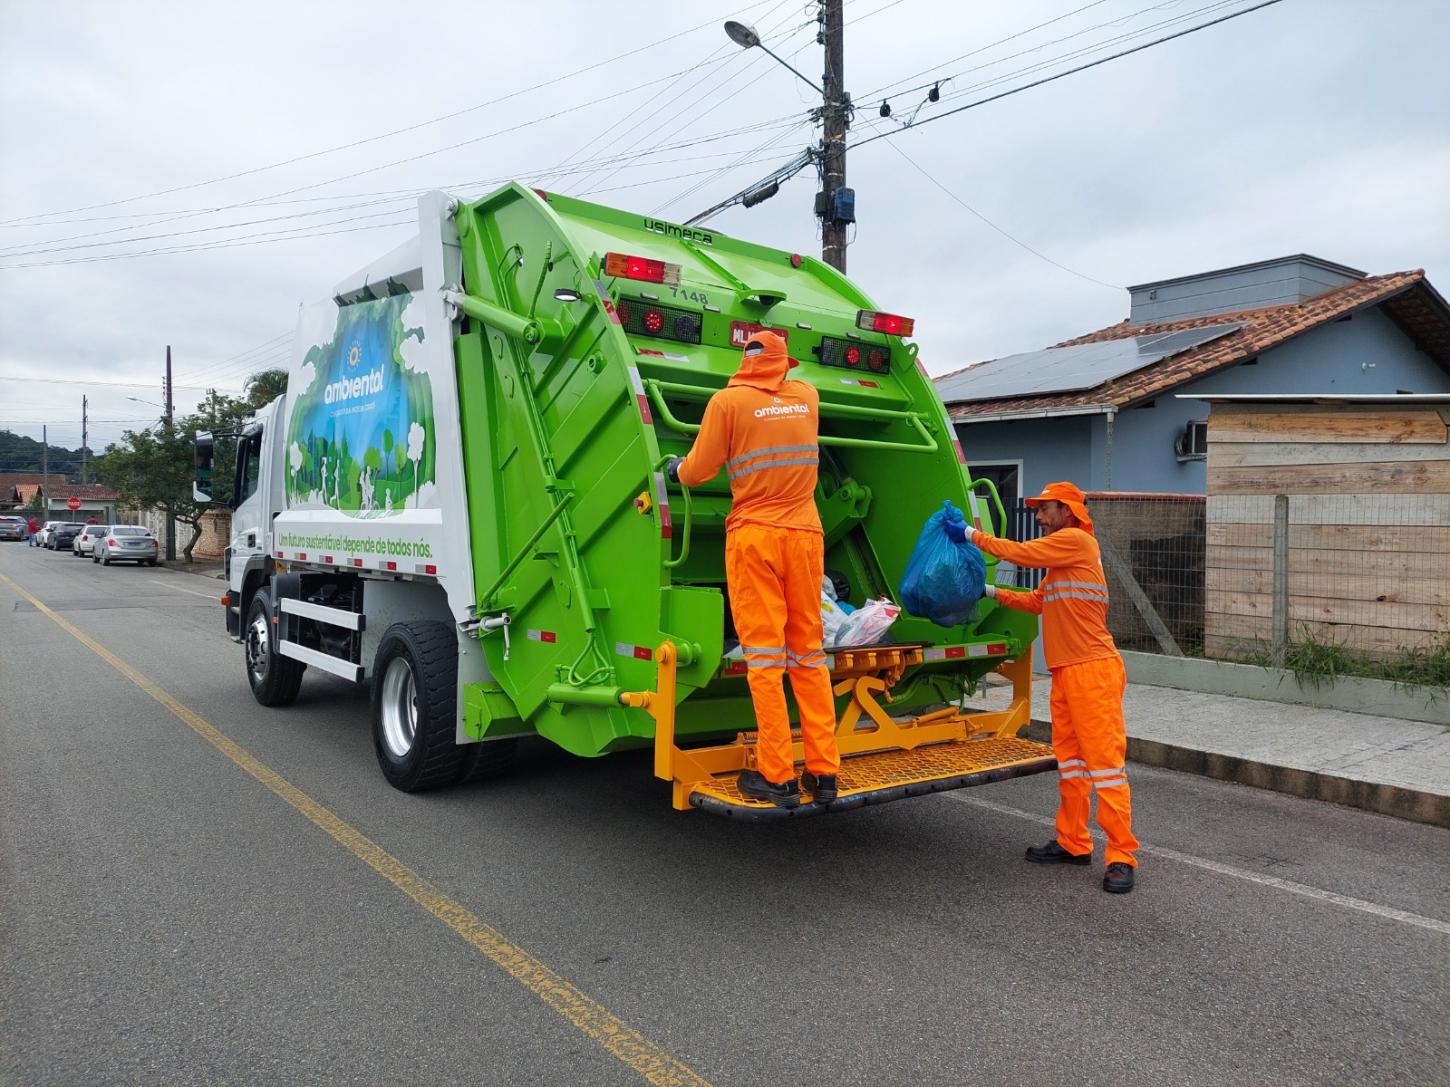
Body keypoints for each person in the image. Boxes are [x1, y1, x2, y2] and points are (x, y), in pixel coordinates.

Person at [666, 331, 839, 809]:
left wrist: (674, 470)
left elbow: (699, 470)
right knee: (808, 655)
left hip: (756, 537)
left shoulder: (728, 402)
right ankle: (824, 773)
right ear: (785, 364)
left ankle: (777, 775)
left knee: (765, 660)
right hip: (806, 535)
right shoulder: (807, 396)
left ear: (745, 362)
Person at [968, 481, 1139, 894]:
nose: (1039, 517)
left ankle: (1121, 856)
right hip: (1067, 673)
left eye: (1045, 509)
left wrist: (973, 536)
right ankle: (1073, 842)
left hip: (1092, 672)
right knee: (1074, 764)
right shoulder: (1064, 560)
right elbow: (1038, 602)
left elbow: (1020, 553)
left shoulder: (1076, 541)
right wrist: (990, 591)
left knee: (1104, 768)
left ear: (1067, 510)